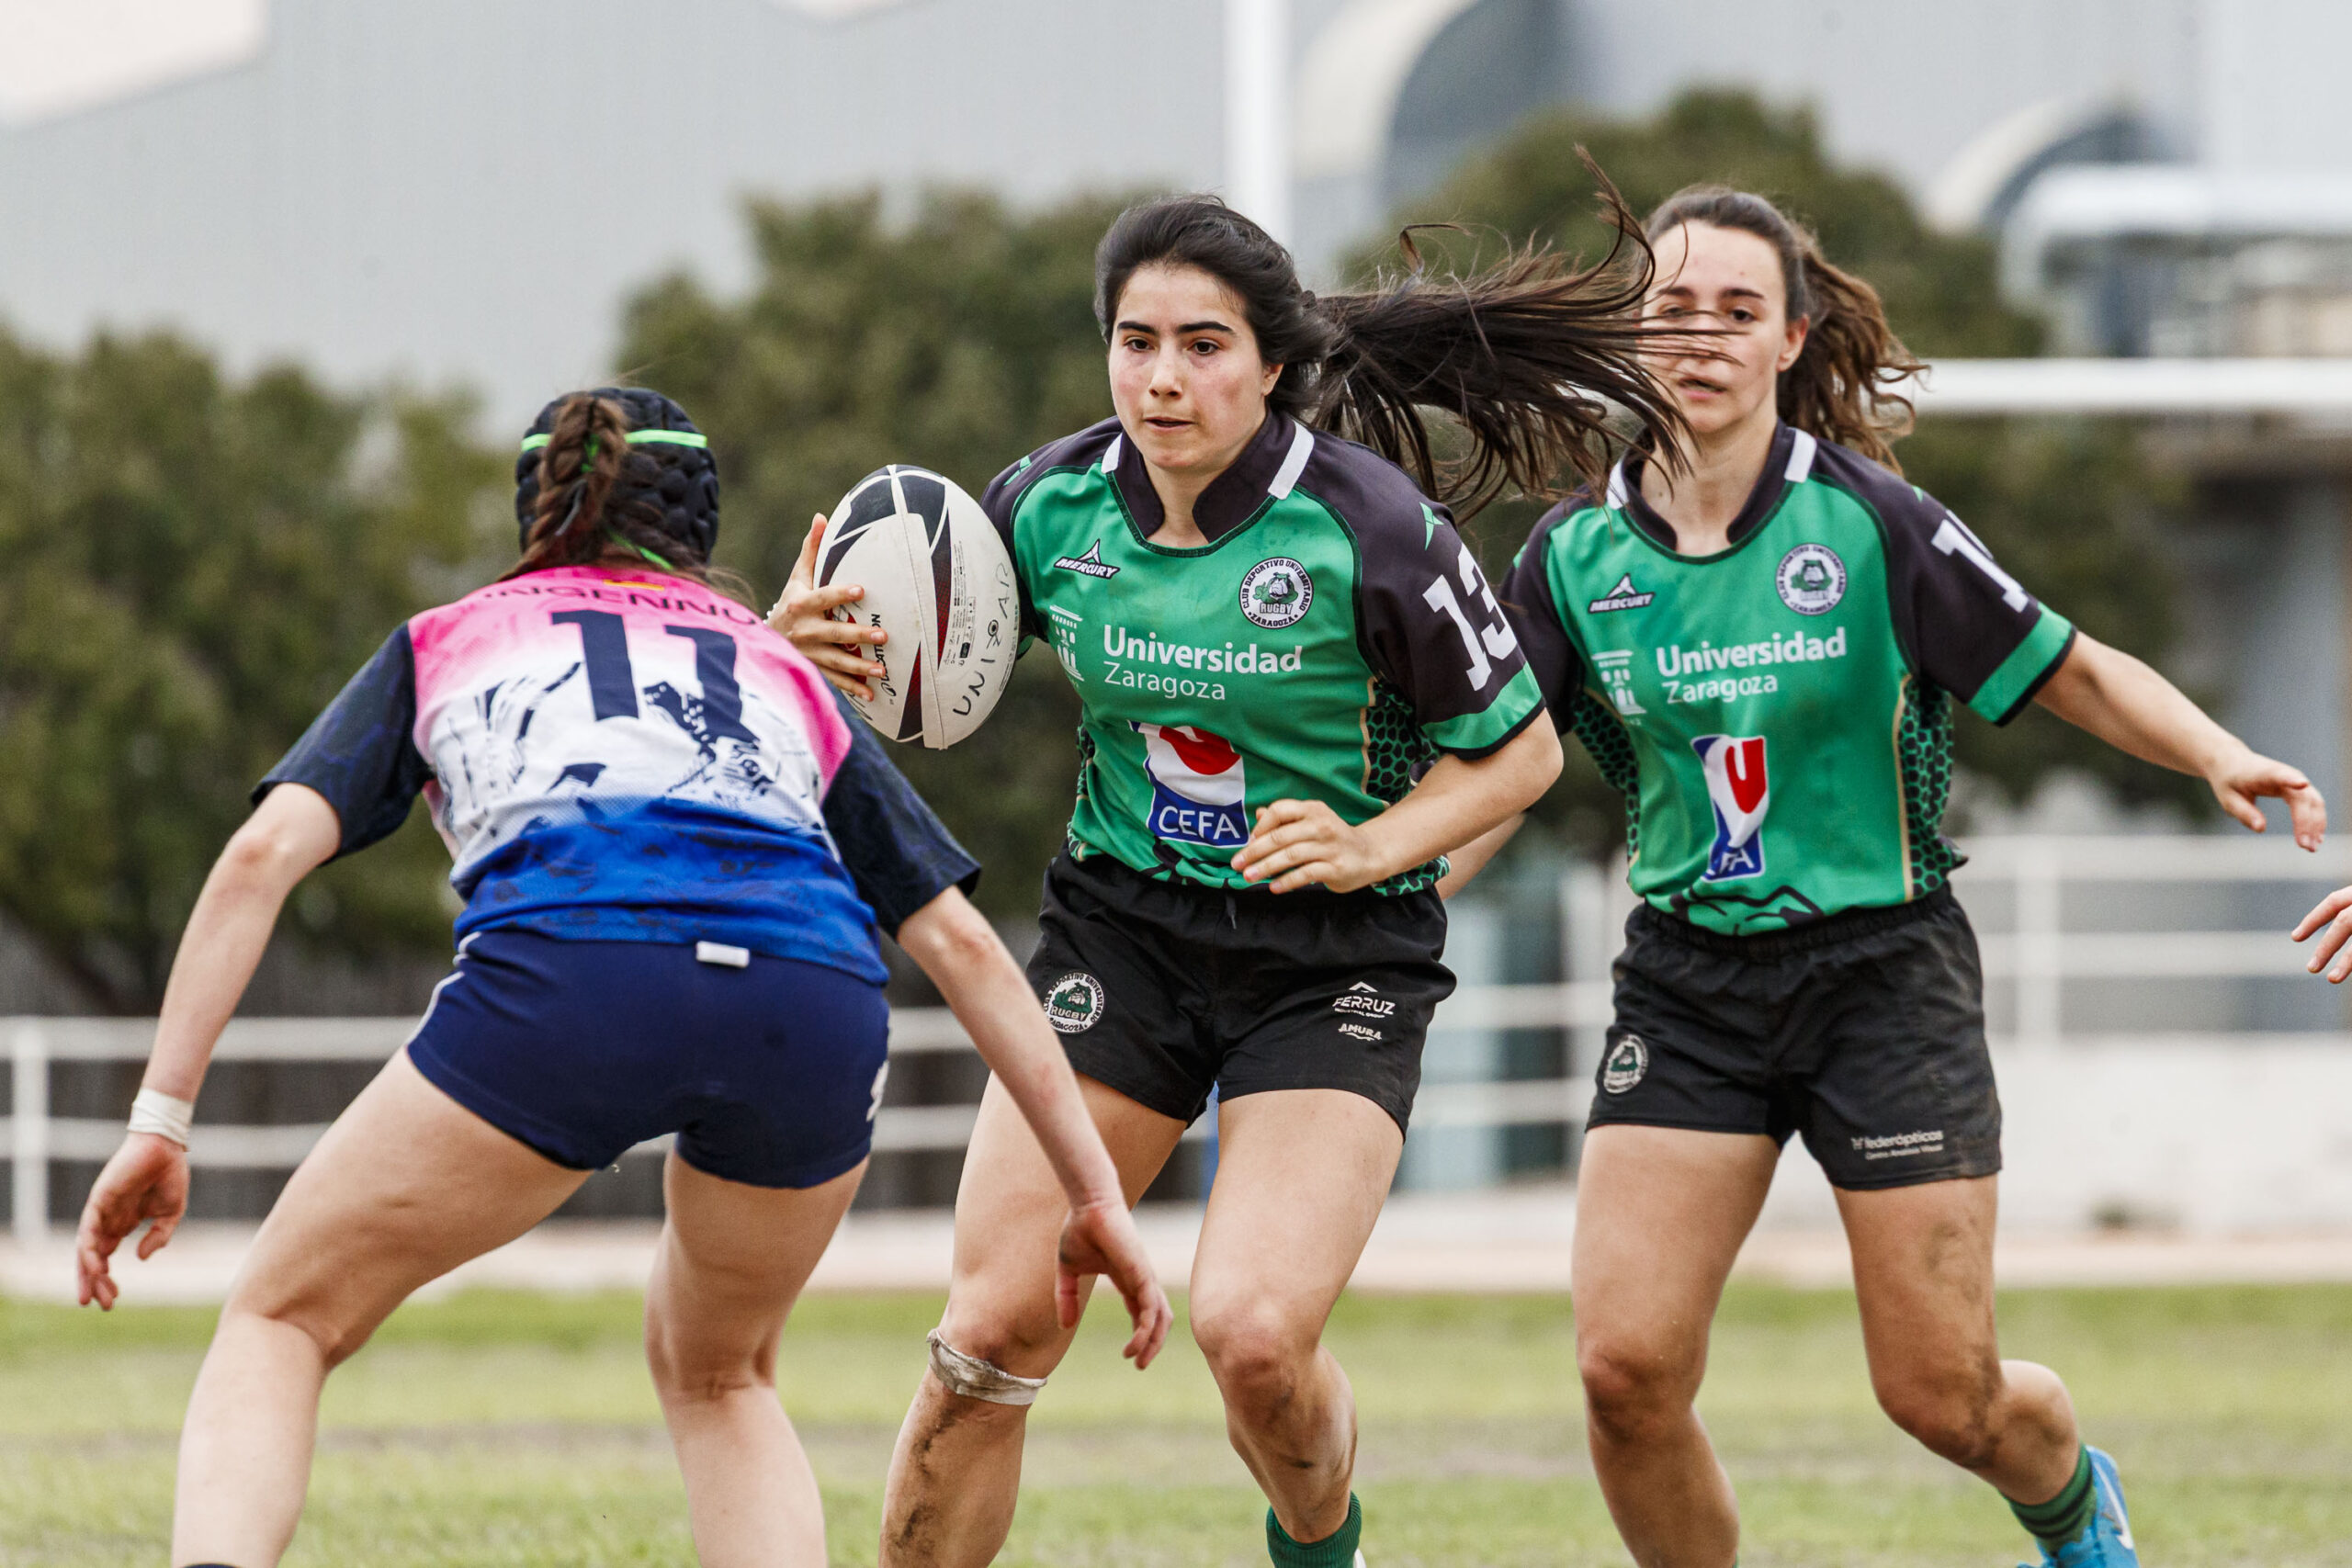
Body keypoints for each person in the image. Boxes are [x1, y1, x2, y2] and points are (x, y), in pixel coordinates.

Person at [72, 388, 1171, 1568]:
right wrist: (1094, 1193)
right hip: (811, 1001)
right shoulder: (775, 668)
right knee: (723, 1374)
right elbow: (957, 944)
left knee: (281, 1317)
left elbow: (257, 858)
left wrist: (160, 1117)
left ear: (534, 507)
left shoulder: (451, 637)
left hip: (575, 977)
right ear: (701, 526)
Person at [775, 194, 1684, 1568]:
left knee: (1254, 1336)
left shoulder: (1373, 527)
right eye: (1135, 342)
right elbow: (924, 648)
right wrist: (811, 647)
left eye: (1203, 345)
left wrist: (1375, 843)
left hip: (1337, 962)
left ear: (1269, 365)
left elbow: (1522, 755)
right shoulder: (1051, 502)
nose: (1161, 378)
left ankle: (1324, 1543)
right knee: (991, 1328)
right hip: (1120, 941)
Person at [1463, 186, 2327, 1568]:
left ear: (1794, 338)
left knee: (1942, 1394)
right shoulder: (1571, 555)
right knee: (1624, 1373)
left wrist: (2221, 753)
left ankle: (2071, 1501)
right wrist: (1394, 889)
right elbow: (1495, 768)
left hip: (1883, 979)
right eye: (1673, 308)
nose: (1701, 337)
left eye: (1739, 311)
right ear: (1630, 331)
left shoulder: (1872, 524)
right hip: (1687, 981)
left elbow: (2069, 662)